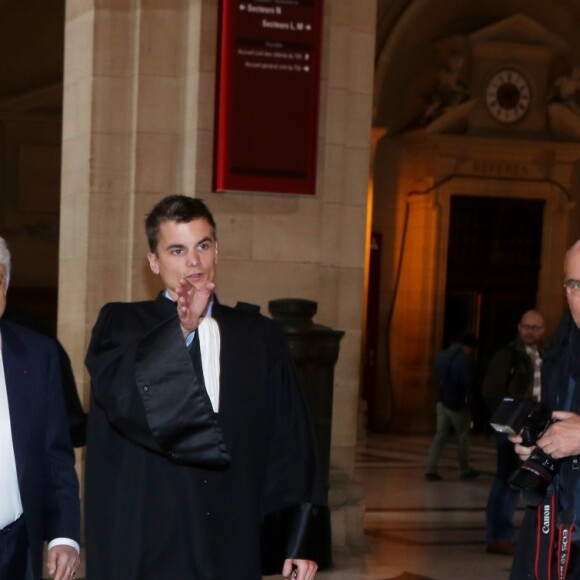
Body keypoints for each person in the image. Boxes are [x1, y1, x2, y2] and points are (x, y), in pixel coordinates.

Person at [84, 195, 330, 580]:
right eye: (177, 250)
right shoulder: (122, 324)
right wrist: (181, 328)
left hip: (232, 531)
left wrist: (299, 536)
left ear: (217, 251)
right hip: (150, 537)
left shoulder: (258, 335)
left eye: (203, 245)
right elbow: (125, 399)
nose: (193, 261)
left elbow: (291, 437)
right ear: (154, 261)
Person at [0, 236, 80, 580]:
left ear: (4, 287)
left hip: (16, 549)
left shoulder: (36, 353)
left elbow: (56, 454)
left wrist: (64, 535)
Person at [510, 240, 580, 578]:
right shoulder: (562, 353)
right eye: (575, 285)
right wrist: (539, 443)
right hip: (560, 523)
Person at [482, 309, 544, 556]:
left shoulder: (544, 355)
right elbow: (491, 391)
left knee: (518, 480)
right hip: (512, 426)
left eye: (536, 327)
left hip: (534, 426)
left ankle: (506, 534)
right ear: (519, 328)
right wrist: (510, 418)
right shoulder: (507, 355)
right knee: (506, 479)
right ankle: (498, 535)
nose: (530, 331)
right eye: (527, 326)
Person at [425, 332, 480, 481]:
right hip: (457, 402)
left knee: (439, 435)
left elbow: (435, 374)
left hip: (442, 400)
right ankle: (464, 469)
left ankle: (430, 468)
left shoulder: (441, 355)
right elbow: (468, 381)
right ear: (467, 346)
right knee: (462, 436)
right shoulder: (463, 359)